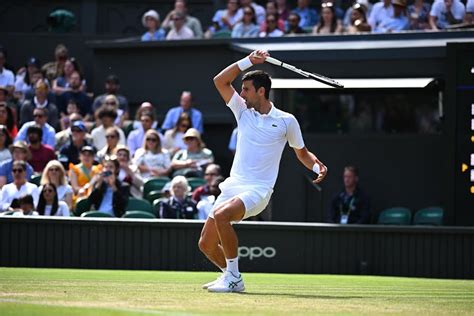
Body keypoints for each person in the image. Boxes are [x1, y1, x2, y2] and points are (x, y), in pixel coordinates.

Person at [198, 50, 327, 293]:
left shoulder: (287, 121)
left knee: (224, 216)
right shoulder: (242, 110)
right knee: (205, 244)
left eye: (246, 89)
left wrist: (317, 165)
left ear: (261, 91)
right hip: (233, 185)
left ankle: (234, 278)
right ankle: (231, 276)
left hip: (259, 190)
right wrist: (248, 61)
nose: (241, 93)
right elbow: (219, 81)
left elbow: (302, 153)